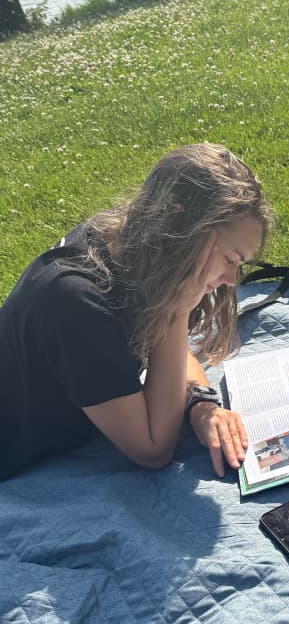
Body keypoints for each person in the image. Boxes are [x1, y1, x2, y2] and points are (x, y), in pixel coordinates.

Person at [0, 142, 271, 481]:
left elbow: (171, 348)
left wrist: (201, 404)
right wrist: (176, 311)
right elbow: (153, 450)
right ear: (181, 233)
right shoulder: (78, 301)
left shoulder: (132, 247)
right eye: (230, 259)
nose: (233, 280)